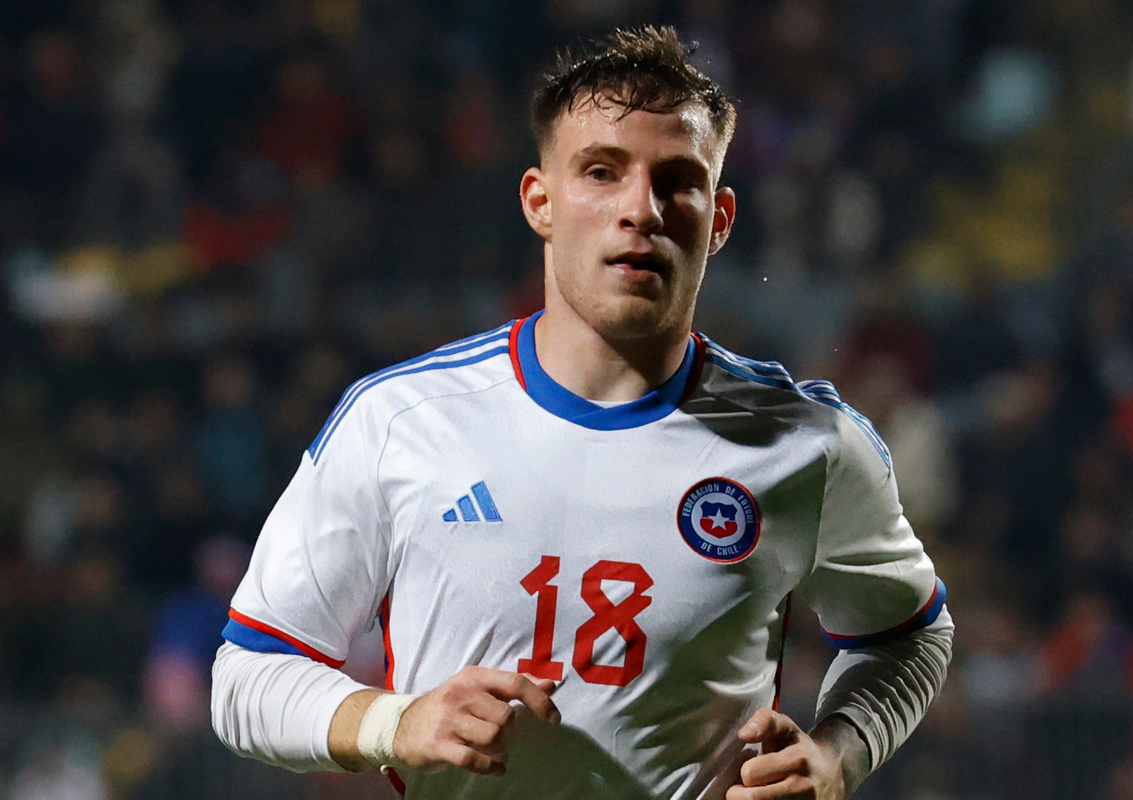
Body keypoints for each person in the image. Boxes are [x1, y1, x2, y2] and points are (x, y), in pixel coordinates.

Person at [211, 25, 953, 800]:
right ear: (541, 201)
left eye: (677, 180)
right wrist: (392, 722)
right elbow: (247, 677)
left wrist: (842, 753)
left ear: (719, 218)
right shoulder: (398, 421)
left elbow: (910, 637)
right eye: (602, 171)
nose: (640, 209)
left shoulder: (811, 445)